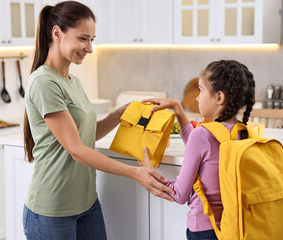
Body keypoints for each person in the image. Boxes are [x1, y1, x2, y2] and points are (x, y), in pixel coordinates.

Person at [22, 1, 174, 239]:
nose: (90, 48)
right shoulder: (43, 82)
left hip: (86, 203)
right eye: (83, 38)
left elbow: (86, 134)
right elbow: (77, 150)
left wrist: (118, 115)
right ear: (57, 33)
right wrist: (135, 173)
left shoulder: (73, 81)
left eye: (92, 39)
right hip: (52, 209)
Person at [140, 60, 255, 240]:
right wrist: (178, 109)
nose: (196, 98)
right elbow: (203, 149)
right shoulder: (243, 132)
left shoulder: (202, 136)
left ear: (219, 97)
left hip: (205, 230)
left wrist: (149, 172)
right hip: (235, 228)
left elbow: (178, 194)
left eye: (200, 90)